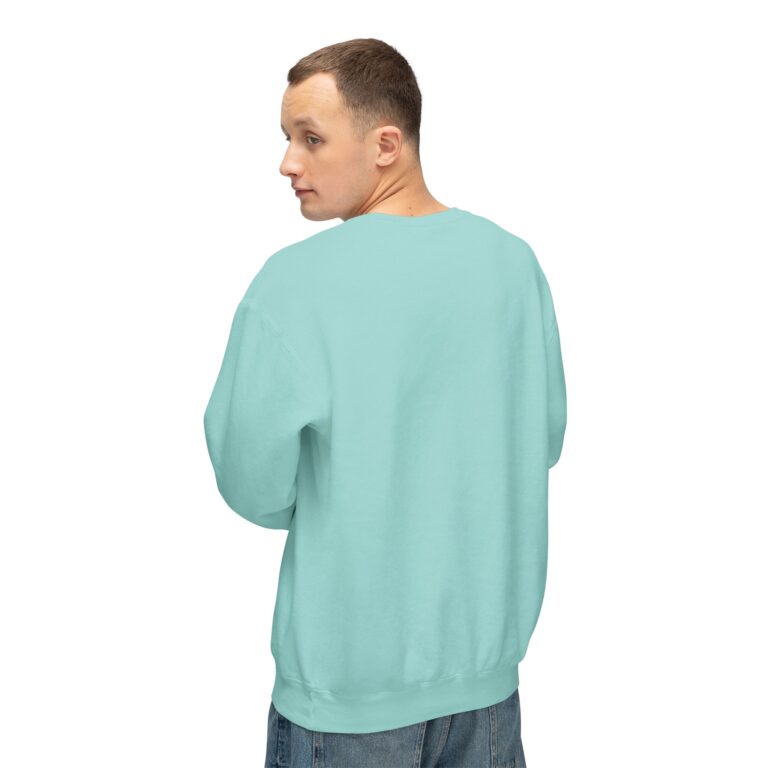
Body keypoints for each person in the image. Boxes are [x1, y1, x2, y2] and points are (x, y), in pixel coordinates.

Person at [203, 37, 566, 768]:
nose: (288, 163)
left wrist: (346, 496)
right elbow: (542, 439)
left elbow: (251, 485)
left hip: (345, 700)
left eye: (311, 138)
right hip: (487, 692)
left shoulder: (295, 283)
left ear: (386, 145)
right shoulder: (512, 263)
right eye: (287, 138)